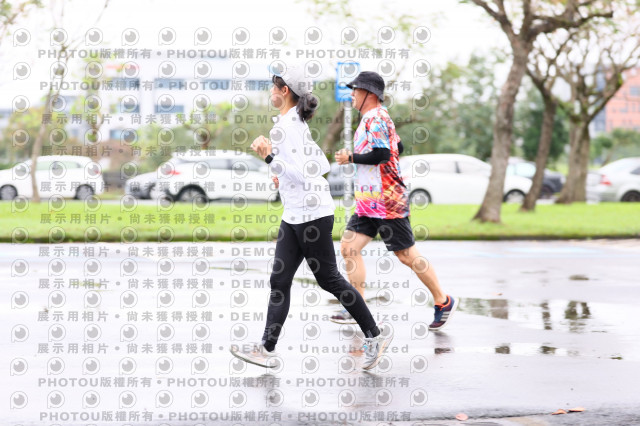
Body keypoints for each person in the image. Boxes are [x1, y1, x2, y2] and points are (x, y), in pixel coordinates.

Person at [229, 65, 393, 370]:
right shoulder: (291, 123)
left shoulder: (288, 127)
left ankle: (375, 334)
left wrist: (269, 157)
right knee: (280, 280)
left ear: (285, 91)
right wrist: (280, 173)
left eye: (274, 86)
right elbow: (320, 164)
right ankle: (266, 349)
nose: (270, 91)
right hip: (295, 213)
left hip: (311, 214)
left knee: (329, 279)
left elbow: (304, 174)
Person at [332, 71, 457, 331]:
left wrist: (351, 158)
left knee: (406, 255)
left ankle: (443, 300)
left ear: (369, 93)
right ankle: (357, 307)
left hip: (387, 201)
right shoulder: (374, 117)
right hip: (369, 201)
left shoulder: (376, 118)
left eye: (355, 90)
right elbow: (397, 148)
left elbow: (383, 154)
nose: (352, 94)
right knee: (349, 247)